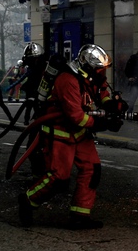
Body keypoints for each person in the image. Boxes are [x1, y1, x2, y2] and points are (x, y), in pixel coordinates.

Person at [18, 44, 123, 230]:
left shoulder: (90, 77)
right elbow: (75, 116)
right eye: (99, 69)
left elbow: (102, 92)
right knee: (59, 179)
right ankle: (28, 199)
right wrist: (102, 123)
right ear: (88, 66)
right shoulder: (67, 80)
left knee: (92, 170)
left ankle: (80, 216)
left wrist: (113, 106)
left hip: (80, 133)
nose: (102, 73)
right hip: (60, 133)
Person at [19, 42, 48, 126]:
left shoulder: (45, 68)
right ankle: (27, 120)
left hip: (42, 93)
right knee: (29, 106)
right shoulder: (32, 68)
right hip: (32, 90)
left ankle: (31, 120)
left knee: (37, 109)